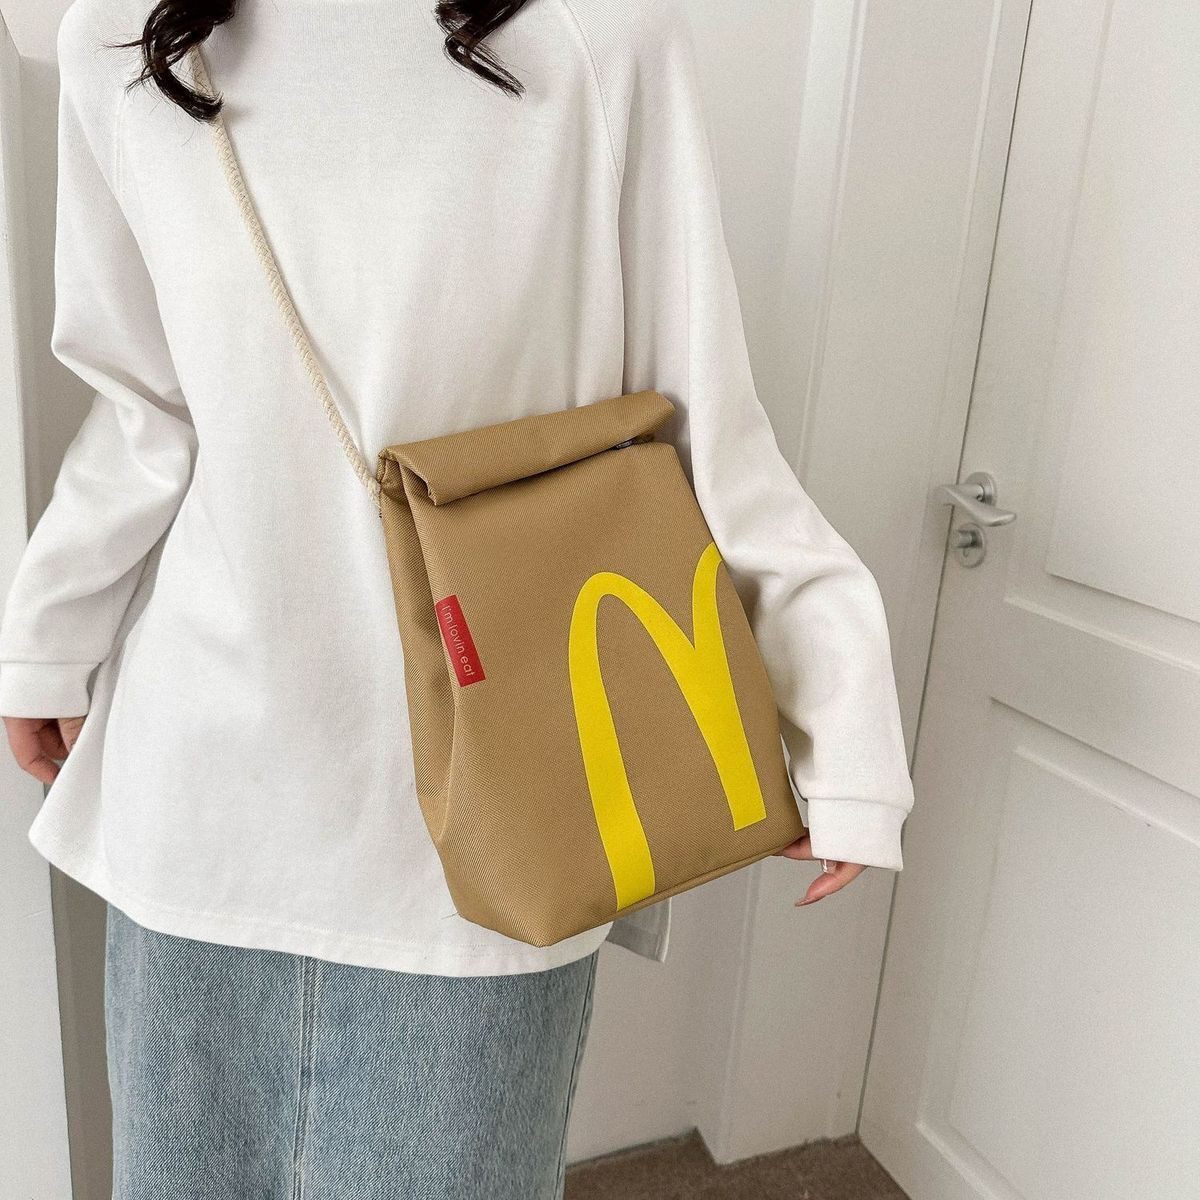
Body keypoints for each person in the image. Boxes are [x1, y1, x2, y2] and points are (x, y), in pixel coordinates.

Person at [0, 0, 915, 1196]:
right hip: (202, 794)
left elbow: (697, 412)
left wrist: (834, 722)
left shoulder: (600, 33)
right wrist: (47, 642)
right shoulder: (124, 39)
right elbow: (143, 411)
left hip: (503, 808)